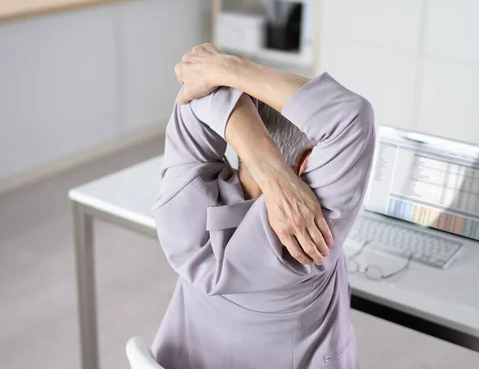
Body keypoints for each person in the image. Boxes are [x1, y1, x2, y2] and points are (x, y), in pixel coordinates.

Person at [152, 44, 375, 369]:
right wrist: (230, 69)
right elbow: (351, 117)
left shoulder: (179, 213)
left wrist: (264, 163)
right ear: (310, 164)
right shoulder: (308, 246)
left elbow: (195, 96)